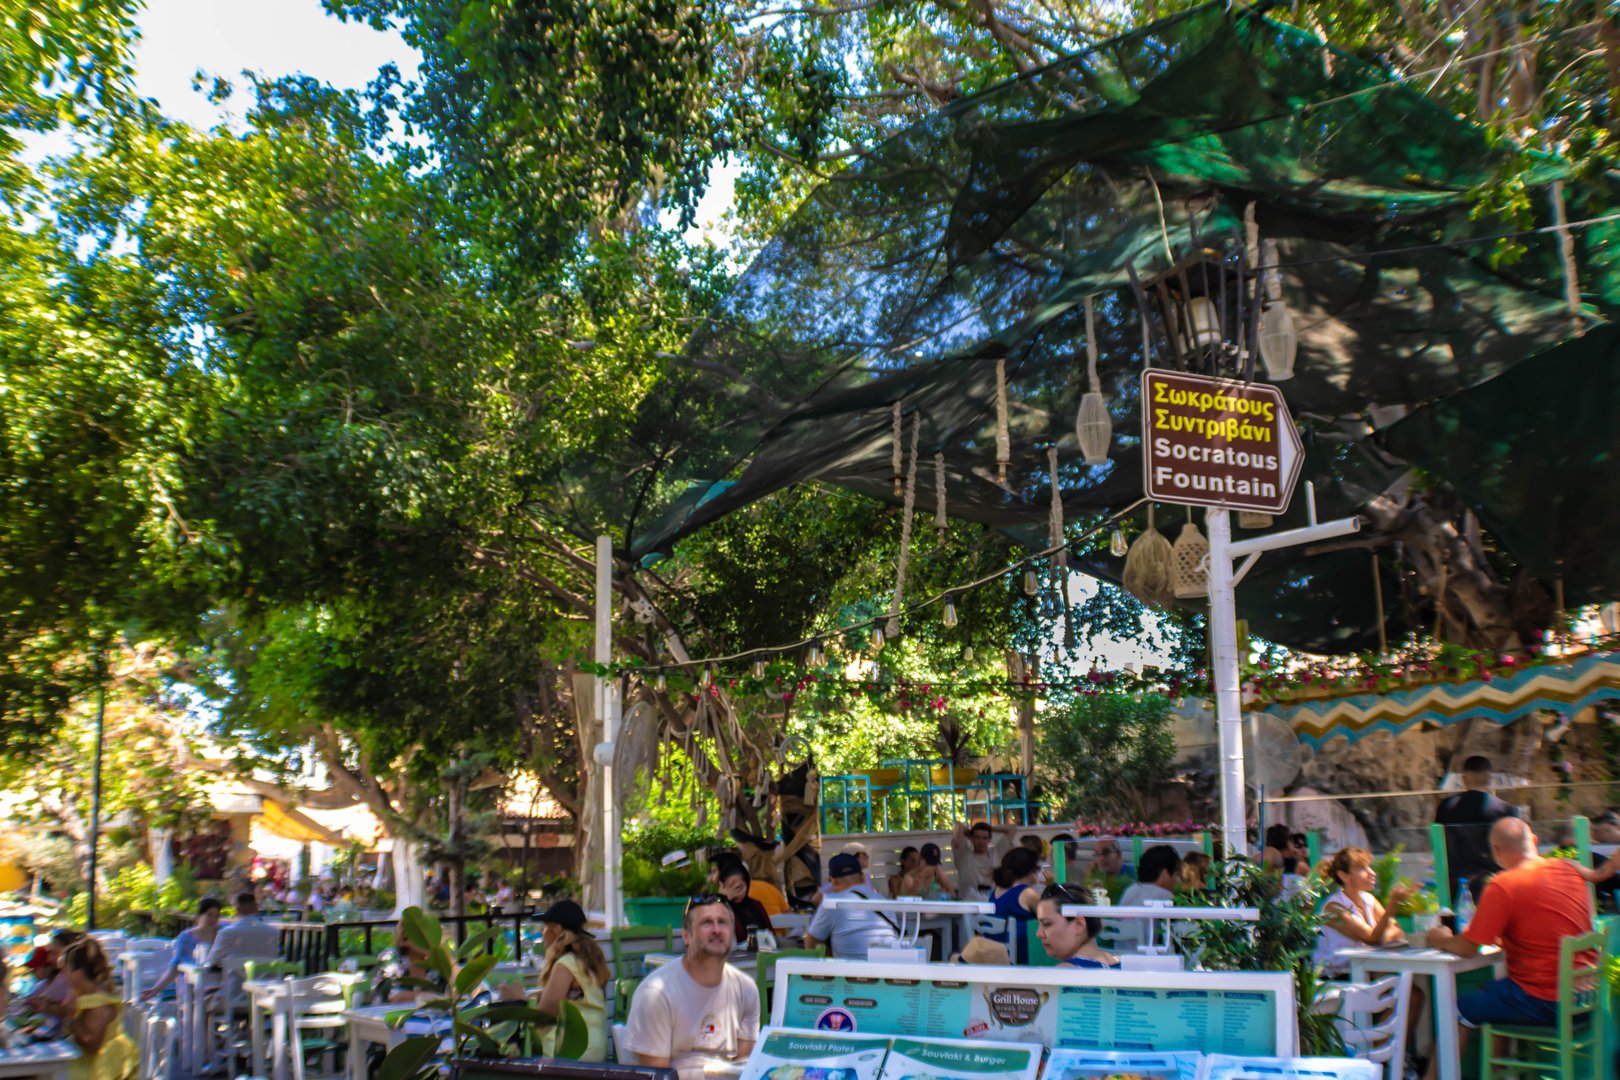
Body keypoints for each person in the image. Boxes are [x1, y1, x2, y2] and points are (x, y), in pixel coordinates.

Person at [1429, 818, 1596, 1035]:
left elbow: (1468, 948)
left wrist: (1440, 939)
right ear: (1534, 841)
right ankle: (1499, 1069)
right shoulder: (1568, 871)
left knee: (1458, 1008)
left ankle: (1437, 1071)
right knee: (1496, 990)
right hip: (1585, 998)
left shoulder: (1503, 884)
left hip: (1545, 1001)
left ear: (1497, 851)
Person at [622, 896, 758, 1078]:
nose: (717, 930)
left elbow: (745, 1067)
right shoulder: (656, 993)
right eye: (707, 923)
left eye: (723, 922)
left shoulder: (746, 989)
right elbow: (657, 1076)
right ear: (686, 936)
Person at [1311, 848, 1415, 977]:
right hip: (1337, 976)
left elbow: (1397, 930)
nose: (1372, 873)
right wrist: (1393, 903)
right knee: (1406, 991)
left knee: (1412, 992)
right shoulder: (1333, 907)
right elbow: (1371, 938)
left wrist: (1383, 937)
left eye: (1369, 867)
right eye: (1362, 868)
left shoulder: (1368, 899)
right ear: (1344, 876)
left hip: (1365, 969)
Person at [530, 900, 608, 1061]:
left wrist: (515, 1000)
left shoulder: (565, 964)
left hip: (571, 1053)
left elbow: (544, 1017)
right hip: (595, 1047)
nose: (541, 932)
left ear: (557, 930)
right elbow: (575, 998)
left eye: (544, 927)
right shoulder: (589, 959)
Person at [1433, 755, 1519, 883]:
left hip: (1456, 879)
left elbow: (1438, 844)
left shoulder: (1446, 806)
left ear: (1463, 779)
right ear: (1490, 779)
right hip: (1495, 880)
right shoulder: (1505, 809)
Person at [61, 938, 138, 1080]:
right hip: (87, 1063)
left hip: (97, 1070)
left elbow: (92, 1044)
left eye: (66, 971)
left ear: (78, 974)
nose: (64, 977)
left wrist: (72, 1020)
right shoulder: (87, 996)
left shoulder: (99, 1003)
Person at [804, 853, 898, 960]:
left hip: (852, 974)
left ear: (833, 881)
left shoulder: (833, 904)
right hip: (890, 970)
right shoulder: (884, 901)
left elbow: (811, 944)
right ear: (862, 876)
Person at [144, 897, 225, 999]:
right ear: (200, 915)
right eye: (209, 915)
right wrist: (156, 989)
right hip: (191, 984)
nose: (213, 919)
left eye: (216, 916)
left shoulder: (223, 933)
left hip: (218, 984)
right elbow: (175, 966)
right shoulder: (186, 937)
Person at [1114, 845, 1182, 952]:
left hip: (1121, 957)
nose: (1177, 881)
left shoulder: (1130, 890)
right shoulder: (1165, 897)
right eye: (1176, 874)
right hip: (1148, 961)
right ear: (1165, 874)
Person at [1035, 884, 1120, 969]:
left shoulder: (1066, 971)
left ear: (1079, 925)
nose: (1039, 934)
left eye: (1047, 923)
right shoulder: (1121, 964)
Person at [983, 847, 1041, 964]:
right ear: (1031, 871)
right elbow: (1052, 914)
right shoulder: (1027, 894)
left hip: (993, 953)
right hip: (1020, 957)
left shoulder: (997, 890)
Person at [205, 890, 282, 971]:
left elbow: (212, 961)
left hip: (234, 982)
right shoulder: (273, 932)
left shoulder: (227, 933)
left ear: (236, 909)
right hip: (266, 981)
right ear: (256, 908)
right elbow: (276, 957)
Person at [24, 929, 83, 1022]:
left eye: (54, 953)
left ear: (70, 949)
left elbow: (72, 1011)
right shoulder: (61, 976)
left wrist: (45, 1006)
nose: (49, 959)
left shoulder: (79, 978)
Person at [951, 820, 1015, 899]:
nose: (981, 842)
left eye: (985, 838)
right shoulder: (964, 854)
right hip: (968, 904)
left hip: (992, 902)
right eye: (977, 837)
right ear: (971, 839)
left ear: (989, 840)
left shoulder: (997, 852)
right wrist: (970, 831)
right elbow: (959, 826)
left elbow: (1012, 828)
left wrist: (989, 828)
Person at [715, 861, 772, 943]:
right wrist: (723, 899)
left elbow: (770, 932)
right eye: (730, 887)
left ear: (746, 883)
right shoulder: (720, 907)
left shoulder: (756, 904)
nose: (735, 892)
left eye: (739, 887)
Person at [1089, 836, 1136, 902]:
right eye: (1097, 854)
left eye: (1106, 852)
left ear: (1119, 854)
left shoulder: (1134, 875)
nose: (1101, 858)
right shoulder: (1096, 878)